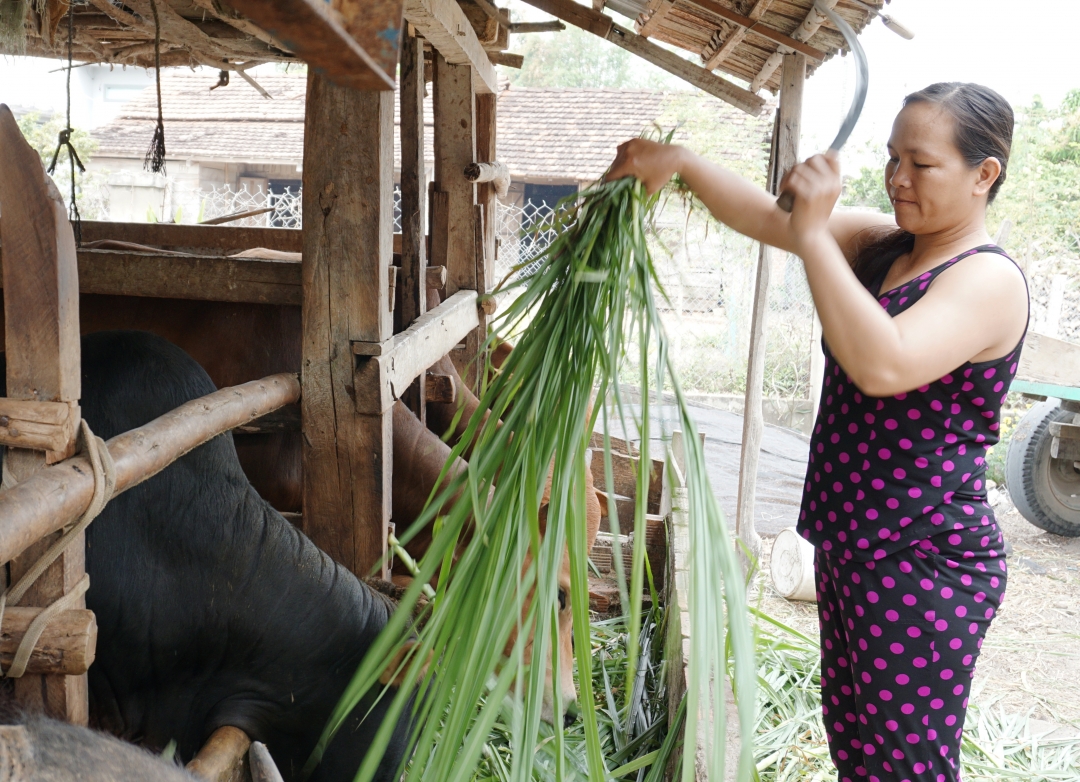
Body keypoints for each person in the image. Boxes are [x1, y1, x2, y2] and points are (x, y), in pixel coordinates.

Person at [607, 82, 1025, 782]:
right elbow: (769, 219)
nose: (897, 178)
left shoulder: (987, 280)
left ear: (985, 175)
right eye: (893, 158)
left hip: (925, 562)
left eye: (921, 164)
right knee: (858, 747)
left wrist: (810, 233)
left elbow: (883, 364)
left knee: (903, 765)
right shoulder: (887, 247)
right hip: (854, 547)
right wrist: (679, 161)